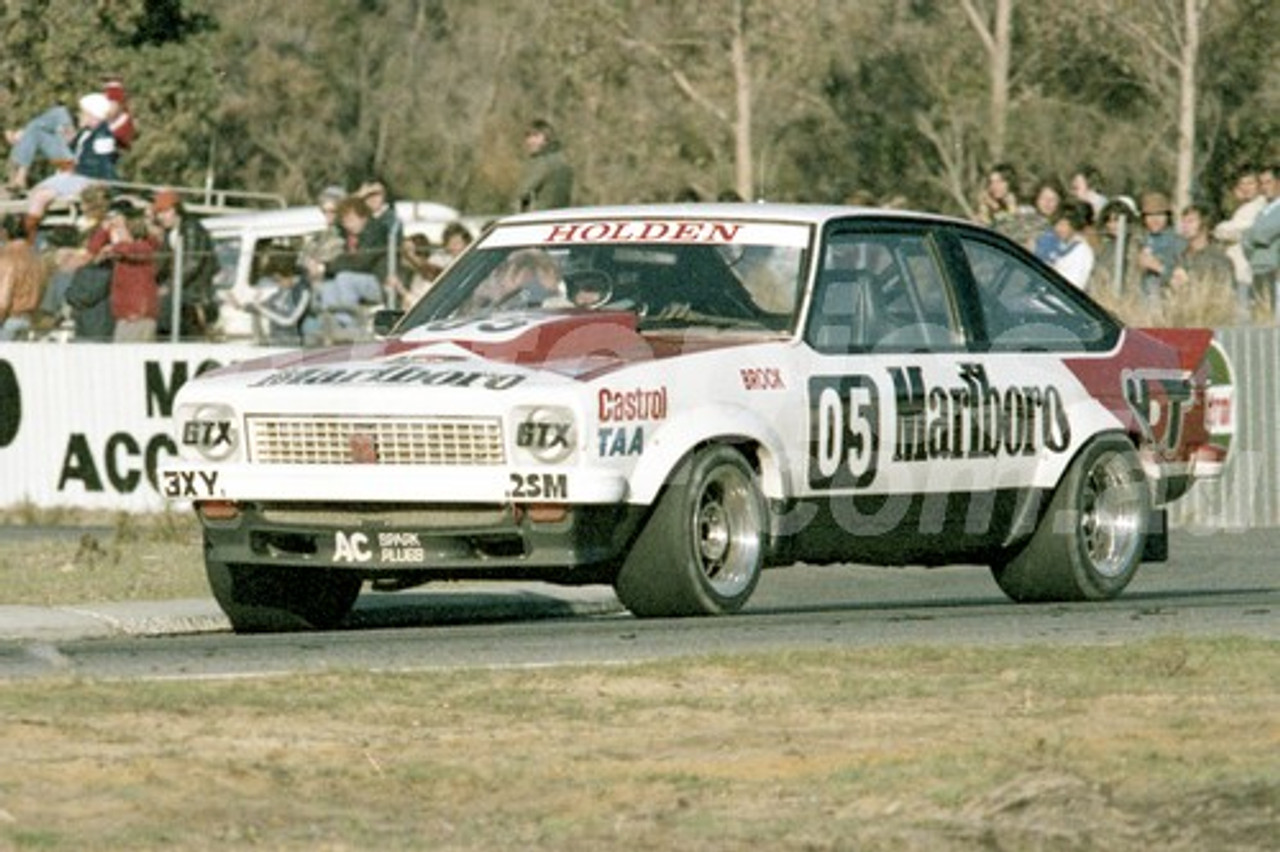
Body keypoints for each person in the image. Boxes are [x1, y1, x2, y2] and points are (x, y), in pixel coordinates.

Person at [152, 188, 219, 339]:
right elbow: (162, 262)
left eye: (164, 212)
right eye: (158, 213)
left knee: (185, 335)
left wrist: (169, 285)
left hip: (194, 295)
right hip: (180, 293)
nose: (161, 217)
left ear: (176, 209)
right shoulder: (171, 232)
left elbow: (192, 263)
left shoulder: (191, 228)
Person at [92, 201, 159, 342]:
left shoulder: (145, 245)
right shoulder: (122, 249)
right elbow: (93, 249)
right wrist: (103, 230)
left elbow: (136, 251)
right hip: (124, 315)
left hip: (138, 314)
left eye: (118, 225)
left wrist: (114, 247)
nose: (114, 229)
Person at [1214, 165, 1267, 308]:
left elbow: (1238, 230)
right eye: (1242, 184)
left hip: (1246, 271)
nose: (1246, 188)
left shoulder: (1260, 206)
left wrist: (1219, 230)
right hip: (1236, 270)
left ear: (1259, 185)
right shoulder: (1243, 208)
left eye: (1250, 183)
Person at [240, 251, 310, 345]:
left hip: (292, 343)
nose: (278, 284)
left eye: (278, 280)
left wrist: (261, 309)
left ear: (289, 275)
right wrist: (244, 306)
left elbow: (289, 321)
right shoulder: (282, 291)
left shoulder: (303, 292)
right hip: (276, 341)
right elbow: (268, 305)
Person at [5, 104, 75, 192]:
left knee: (33, 128)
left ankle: (20, 177)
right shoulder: (60, 118)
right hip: (65, 163)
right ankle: (20, 177)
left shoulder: (62, 113)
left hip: (72, 166)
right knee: (33, 131)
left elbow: (70, 138)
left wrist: (25, 133)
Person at [1170, 204, 1235, 298]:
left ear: (1205, 224)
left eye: (1190, 221)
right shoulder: (1181, 257)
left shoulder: (1218, 259)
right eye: (1183, 221)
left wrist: (1189, 284)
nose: (1185, 226)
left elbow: (1224, 295)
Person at [0, 214, 48, 340]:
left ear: (4, 232)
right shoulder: (37, 258)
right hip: (30, 320)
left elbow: (3, 299)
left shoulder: (7, 257)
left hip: (8, 320)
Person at [1243, 164, 1280, 320]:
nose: (1264, 187)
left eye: (1268, 182)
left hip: (1274, 271)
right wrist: (1250, 236)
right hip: (1258, 270)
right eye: (1262, 183)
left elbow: (1262, 235)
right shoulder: (1263, 211)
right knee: (1259, 319)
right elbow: (1246, 242)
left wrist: (1250, 234)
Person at [974, 162, 1040, 249]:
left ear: (1010, 183)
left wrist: (1011, 210)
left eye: (999, 182)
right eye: (991, 182)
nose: (994, 186)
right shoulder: (990, 210)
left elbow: (1016, 237)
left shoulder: (1026, 210)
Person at [1087, 197, 1142, 298]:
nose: (1112, 225)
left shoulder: (1135, 245)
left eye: (1117, 220)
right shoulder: (1105, 247)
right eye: (1109, 221)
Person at [1136, 190, 1186, 300]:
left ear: (1167, 217)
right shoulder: (1140, 240)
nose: (1154, 220)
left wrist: (1158, 267)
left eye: (1159, 214)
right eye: (1149, 215)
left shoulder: (1178, 242)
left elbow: (1184, 280)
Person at [516, 118, 574, 212]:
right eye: (528, 136)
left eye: (536, 136)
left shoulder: (542, 162)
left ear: (547, 137)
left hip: (540, 217)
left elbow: (523, 194)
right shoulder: (563, 159)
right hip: (562, 215)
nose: (530, 141)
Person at [1048, 200, 1095, 290]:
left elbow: (1074, 284)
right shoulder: (1063, 246)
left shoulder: (1082, 252)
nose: (1058, 228)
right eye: (1056, 224)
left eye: (1063, 224)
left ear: (1074, 224)